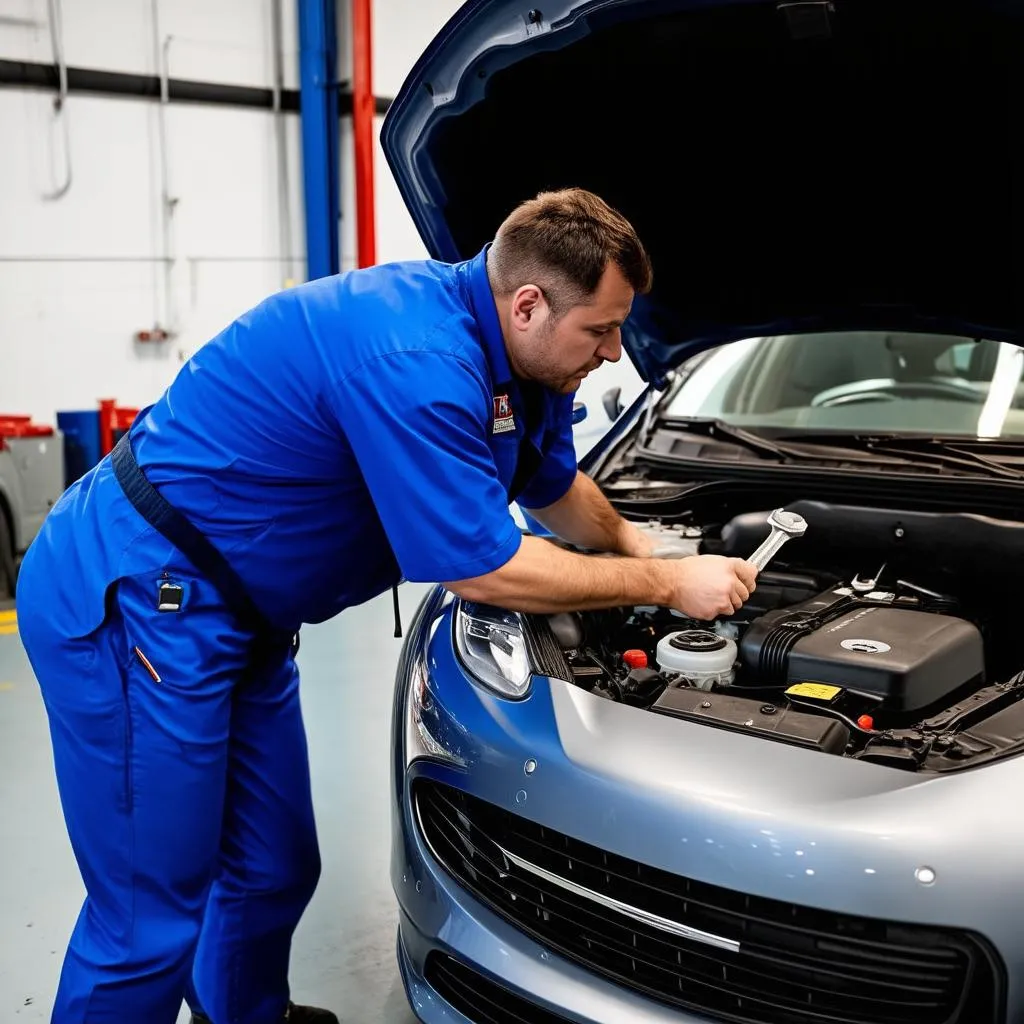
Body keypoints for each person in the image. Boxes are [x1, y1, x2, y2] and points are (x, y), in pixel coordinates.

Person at [17, 187, 757, 1024]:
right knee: (149, 915)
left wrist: (635, 544)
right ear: (528, 303)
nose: (616, 351)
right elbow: (486, 570)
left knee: (271, 869)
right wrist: (663, 586)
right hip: (140, 599)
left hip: (244, 619)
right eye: (601, 329)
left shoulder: (526, 362)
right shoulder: (419, 361)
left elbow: (553, 491)